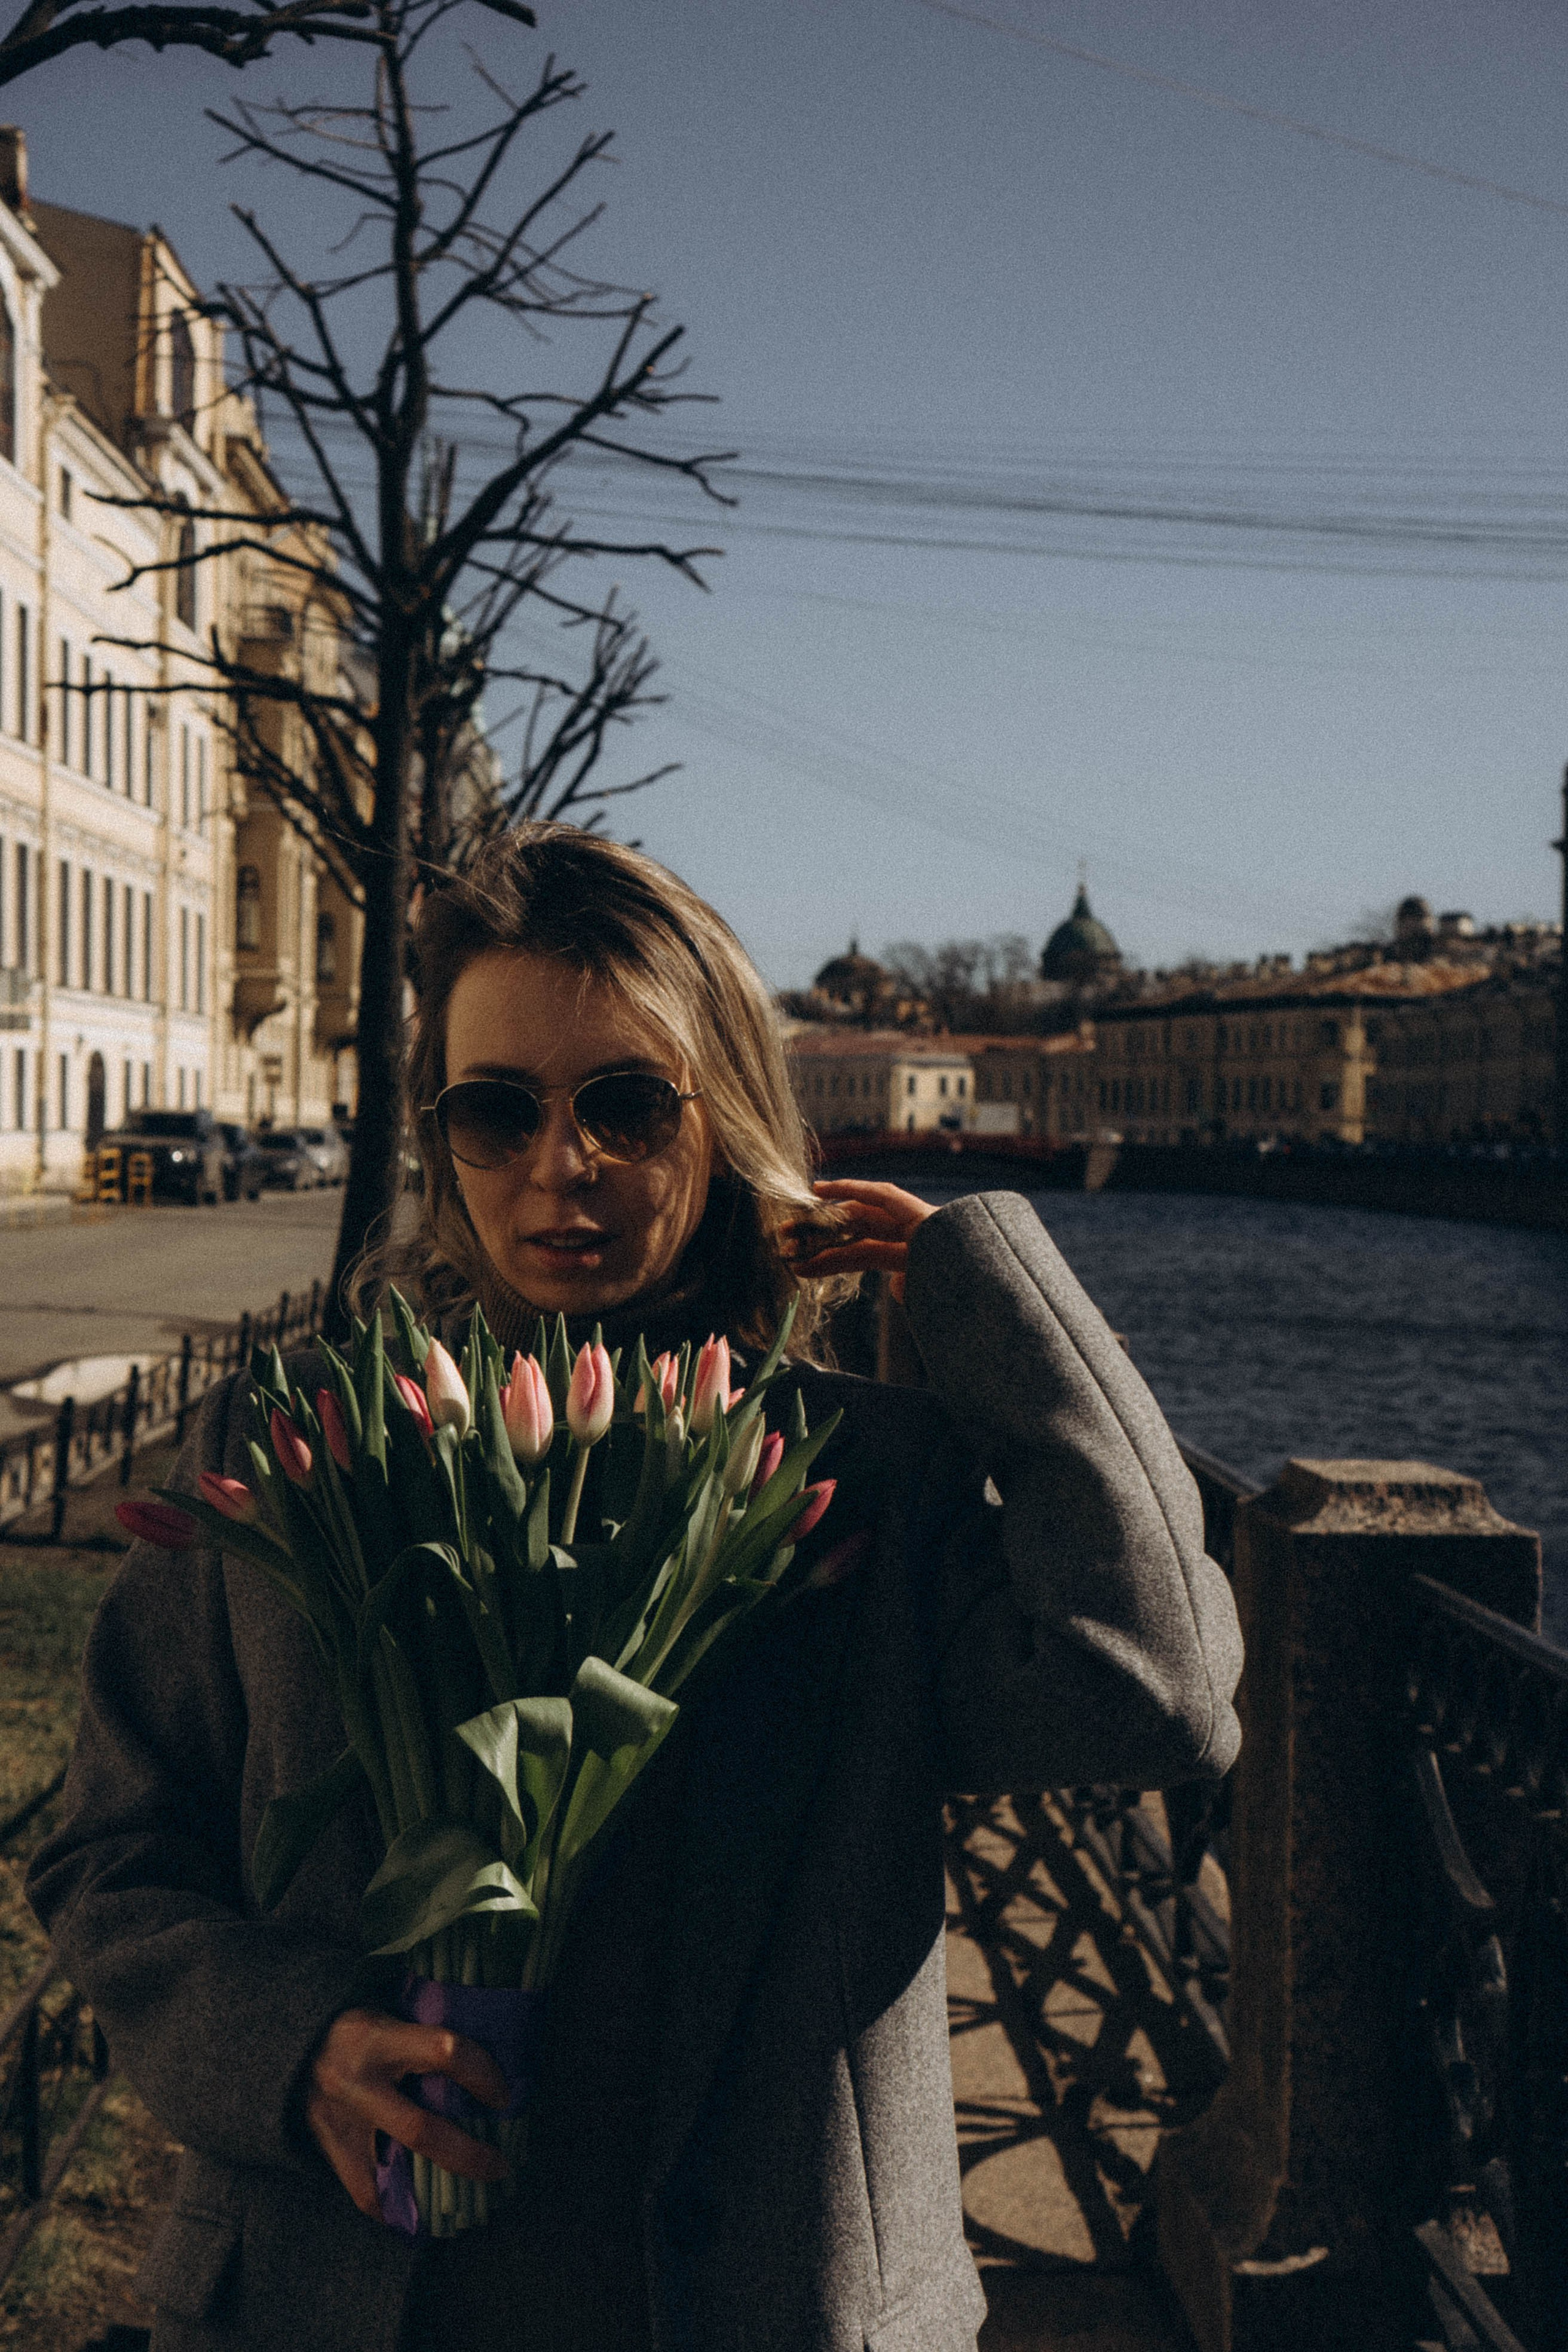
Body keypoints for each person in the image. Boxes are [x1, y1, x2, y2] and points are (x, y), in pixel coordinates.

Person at [29, 826, 1243, 2352]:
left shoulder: (858, 1480)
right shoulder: (296, 1448)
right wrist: (293, 2047)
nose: (562, 1166)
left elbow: (1153, 1694)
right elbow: (113, 1851)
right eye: (497, 1111)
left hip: (756, 2301)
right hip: (326, 2288)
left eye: (625, 1104)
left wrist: (986, 1290)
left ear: (723, 1118)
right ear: (440, 1140)